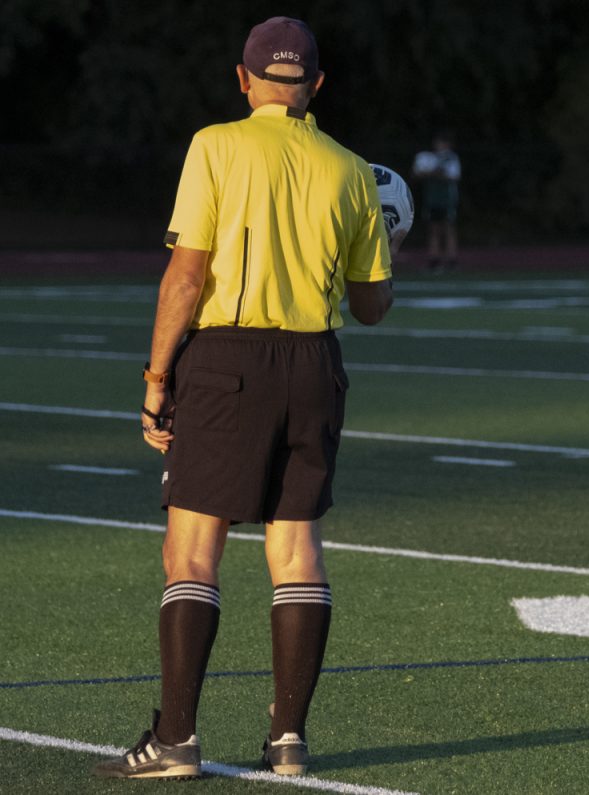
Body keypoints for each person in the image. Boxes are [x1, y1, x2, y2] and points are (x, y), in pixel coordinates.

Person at [92, 17, 393, 780]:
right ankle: (288, 739)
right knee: (297, 552)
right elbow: (372, 306)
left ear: (244, 79)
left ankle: (177, 740)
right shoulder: (354, 169)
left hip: (227, 358)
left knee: (192, 548)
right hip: (316, 363)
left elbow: (186, 276)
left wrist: (157, 380)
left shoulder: (215, 145)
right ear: (317, 85)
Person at [411, 131, 461, 272]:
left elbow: (453, 176)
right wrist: (435, 173)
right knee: (433, 229)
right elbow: (417, 174)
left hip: (447, 199)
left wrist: (432, 173)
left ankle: (452, 260)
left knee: (448, 228)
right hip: (432, 199)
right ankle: (434, 259)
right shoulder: (428, 157)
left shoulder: (451, 158)